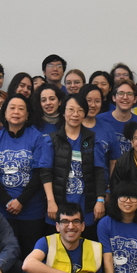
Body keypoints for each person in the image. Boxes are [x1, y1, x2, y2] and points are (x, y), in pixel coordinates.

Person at [0, 94, 53, 256]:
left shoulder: (37, 138)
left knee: (30, 256)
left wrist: (21, 201)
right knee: (4, 255)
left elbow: (39, 173)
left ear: (27, 114)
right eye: (12, 108)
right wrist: (8, 201)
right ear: (5, 113)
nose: (16, 112)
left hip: (32, 210)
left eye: (21, 109)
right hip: (2, 209)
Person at [41, 95, 107, 237]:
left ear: (84, 114)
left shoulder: (93, 139)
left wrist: (100, 200)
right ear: (63, 112)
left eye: (80, 110)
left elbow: (99, 171)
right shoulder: (52, 140)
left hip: (86, 205)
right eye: (71, 109)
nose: (75, 114)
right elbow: (46, 172)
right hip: (58, 203)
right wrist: (51, 201)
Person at [98, 79, 137, 156]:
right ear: (114, 97)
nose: (125, 97)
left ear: (135, 99)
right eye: (121, 93)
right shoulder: (100, 120)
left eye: (129, 94)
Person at [81, 84, 120, 182]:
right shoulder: (72, 126)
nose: (93, 105)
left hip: (102, 184)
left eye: (97, 101)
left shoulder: (107, 128)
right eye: (88, 100)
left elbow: (113, 161)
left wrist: (110, 186)